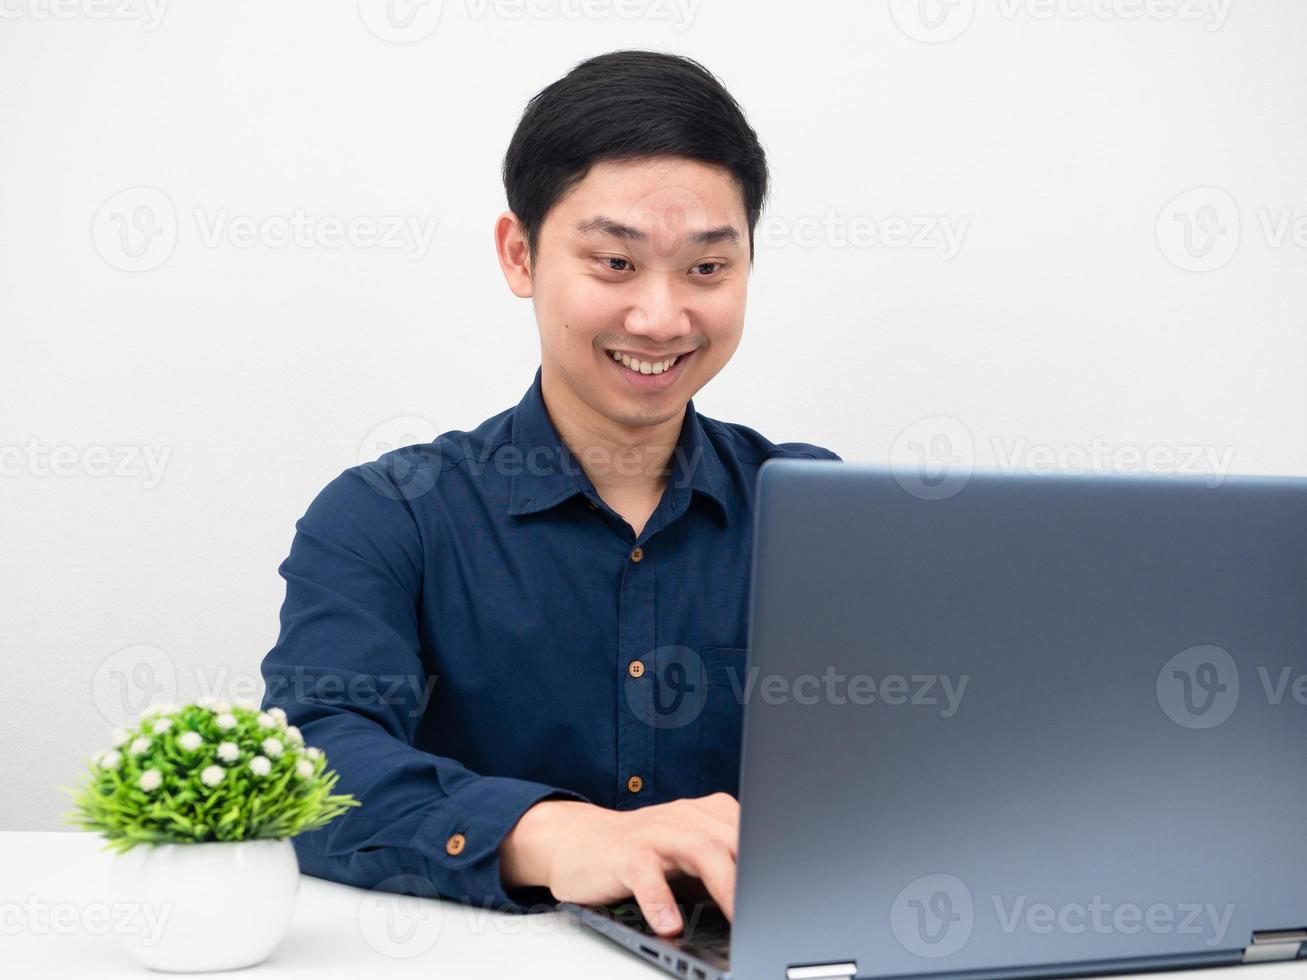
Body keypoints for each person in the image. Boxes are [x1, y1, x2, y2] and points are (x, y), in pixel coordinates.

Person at [259, 49, 840, 938]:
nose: (661, 317)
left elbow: (924, 754)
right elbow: (314, 758)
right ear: (519, 253)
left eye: (707, 270)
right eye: (614, 262)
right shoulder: (388, 514)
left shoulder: (815, 510)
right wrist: (558, 836)